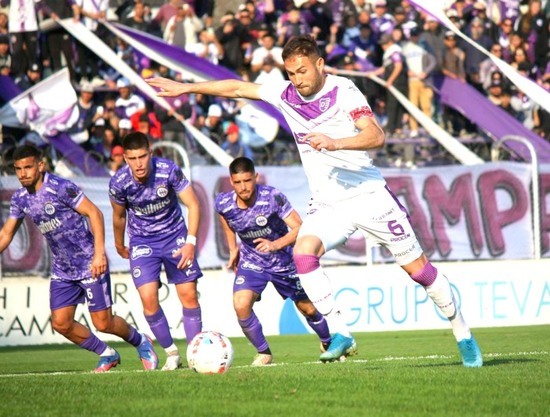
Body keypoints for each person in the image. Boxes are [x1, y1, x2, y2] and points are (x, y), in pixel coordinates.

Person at [146, 34, 483, 367]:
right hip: (328, 202)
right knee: (303, 253)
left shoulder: (344, 90)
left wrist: (335, 142)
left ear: (320, 64)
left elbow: (376, 135)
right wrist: (186, 88)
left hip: (368, 196)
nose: (298, 79)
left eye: (303, 71)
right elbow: (236, 88)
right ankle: (341, 333)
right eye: (291, 73)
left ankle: (462, 333)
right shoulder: (285, 94)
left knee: (420, 272)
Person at [0, 144, 158, 372]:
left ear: (40, 165)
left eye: (28, 167)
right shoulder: (20, 198)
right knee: (61, 323)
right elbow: (6, 234)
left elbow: (95, 213)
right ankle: (107, 353)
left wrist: (99, 254)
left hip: (89, 262)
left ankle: (141, 341)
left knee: (103, 323)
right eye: (18, 169)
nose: (23, 173)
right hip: (63, 269)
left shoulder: (60, 187)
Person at [215, 157, 333, 366]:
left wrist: (275, 244)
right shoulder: (223, 202)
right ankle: (264, 353)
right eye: (238, 182)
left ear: (256, 177)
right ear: (231, 182)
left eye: (247, 180)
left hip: (284, 262)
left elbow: (300, 227)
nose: (243, 187)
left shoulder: (272, 197)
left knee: (307, 309)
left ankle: (328, 342)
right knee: (241, 304)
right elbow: (225, 217)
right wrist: (233, 248)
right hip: (252, 262)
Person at [109, 132, 203, 371]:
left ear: (150, 152)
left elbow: (193, 204)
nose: (139, 163)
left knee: (189, 295)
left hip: (175, 237)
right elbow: (119, 216)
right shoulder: (119, 182)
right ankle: (172, 353)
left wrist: (190, 242)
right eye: (132, 159)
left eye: (142, 156)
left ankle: (195, 353)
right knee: (149, 299)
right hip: (143, 242)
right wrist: (119, 244)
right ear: (125, 158)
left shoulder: (168, 170)